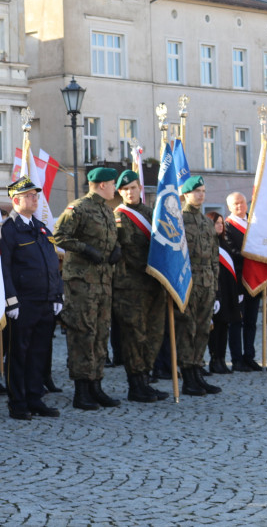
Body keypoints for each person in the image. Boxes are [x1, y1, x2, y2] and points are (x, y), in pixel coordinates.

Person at [54, 167, 121, 410]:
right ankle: (81, 390)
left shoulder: (107, 209)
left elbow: (109, 238)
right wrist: (84, 249)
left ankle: (96, 385)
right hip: (81, 283)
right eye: (113, 183)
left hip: (103, 281)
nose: (115, 188)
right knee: (83, 333)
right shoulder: (78, 208)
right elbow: (59, 236)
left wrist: (116, 249)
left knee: (101, 333)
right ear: (102, 185)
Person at [0, 176, 64, 420]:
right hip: (23, 302)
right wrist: (10, 299)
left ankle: (35, 397)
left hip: (45, 300)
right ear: (15, 200)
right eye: (29, 195)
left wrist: (57, 293)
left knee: (40, 352)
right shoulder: (9, 229)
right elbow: (4, 267)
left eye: (35, 195)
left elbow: (52, 262)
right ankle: (18, 402)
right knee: (19, 353)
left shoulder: (41, 227)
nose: (35, 199)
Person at [112, 170, 168, 403]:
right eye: (124, 189)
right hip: (129, 287)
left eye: (133, 187)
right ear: (119, 192)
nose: (129, 192)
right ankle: (135, 384)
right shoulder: (117, 217)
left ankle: (146, 379)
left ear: (139, 188)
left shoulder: (151, 213)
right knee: (135, 336)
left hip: (153, 284)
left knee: (154, 335)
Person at [176, 176, 220, 396]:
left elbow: (214, 254)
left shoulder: (206, 222)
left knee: (203, 329)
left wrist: (215, 282)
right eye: (196, 191)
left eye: (203, 191)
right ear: (186, 194)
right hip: (188, 280)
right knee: (187, 329)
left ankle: (197, 370)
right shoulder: (178, 219)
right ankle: (187, 376)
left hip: (207, 281)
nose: (201, 195)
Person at [224, 192, 262, 372]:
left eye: (241, 203)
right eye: (235, 204)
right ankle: (237, 359)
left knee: (251, 322)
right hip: (237, 282)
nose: (239, 206)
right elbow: (232, 253)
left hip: (255, 280)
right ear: (229, 207)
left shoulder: (254, 224)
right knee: (236, 322)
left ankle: (249, 356)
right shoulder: (227, 227)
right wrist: (253, 256)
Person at [206, 211, 242, 374]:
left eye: (221, 222)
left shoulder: (225, 243)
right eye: (216, 223)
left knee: (225, 326)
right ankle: (214, 360)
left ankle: (221, 358)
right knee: (216, 328)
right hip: (216, 291)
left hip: (228, 291)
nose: (220, 225)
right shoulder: (208, 243)